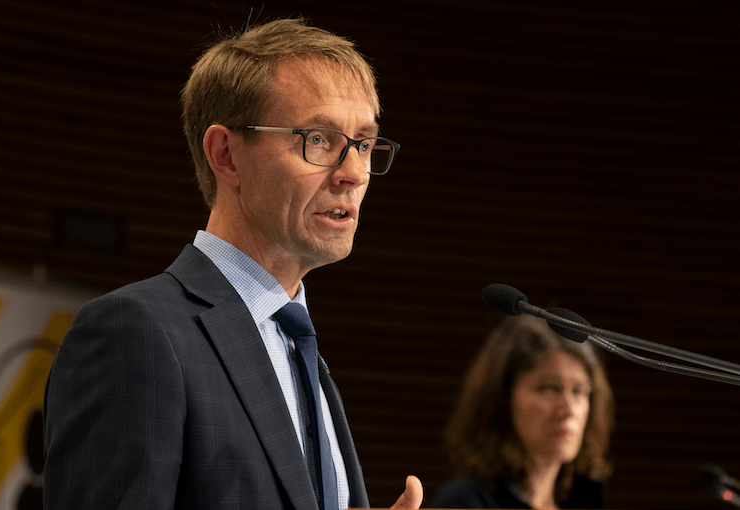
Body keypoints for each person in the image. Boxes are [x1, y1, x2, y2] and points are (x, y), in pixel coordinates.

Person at [42, 17, 423, 510]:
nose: (352, 173)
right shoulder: (135, 333)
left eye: (364, 144)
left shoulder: (302, 352)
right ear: (226, 154)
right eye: (319, 140)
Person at [432, 314, 614, 509]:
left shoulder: (585, 499)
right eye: (549, 388)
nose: (569, 409)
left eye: (578, 391)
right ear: (503, 398)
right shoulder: (465, 501)